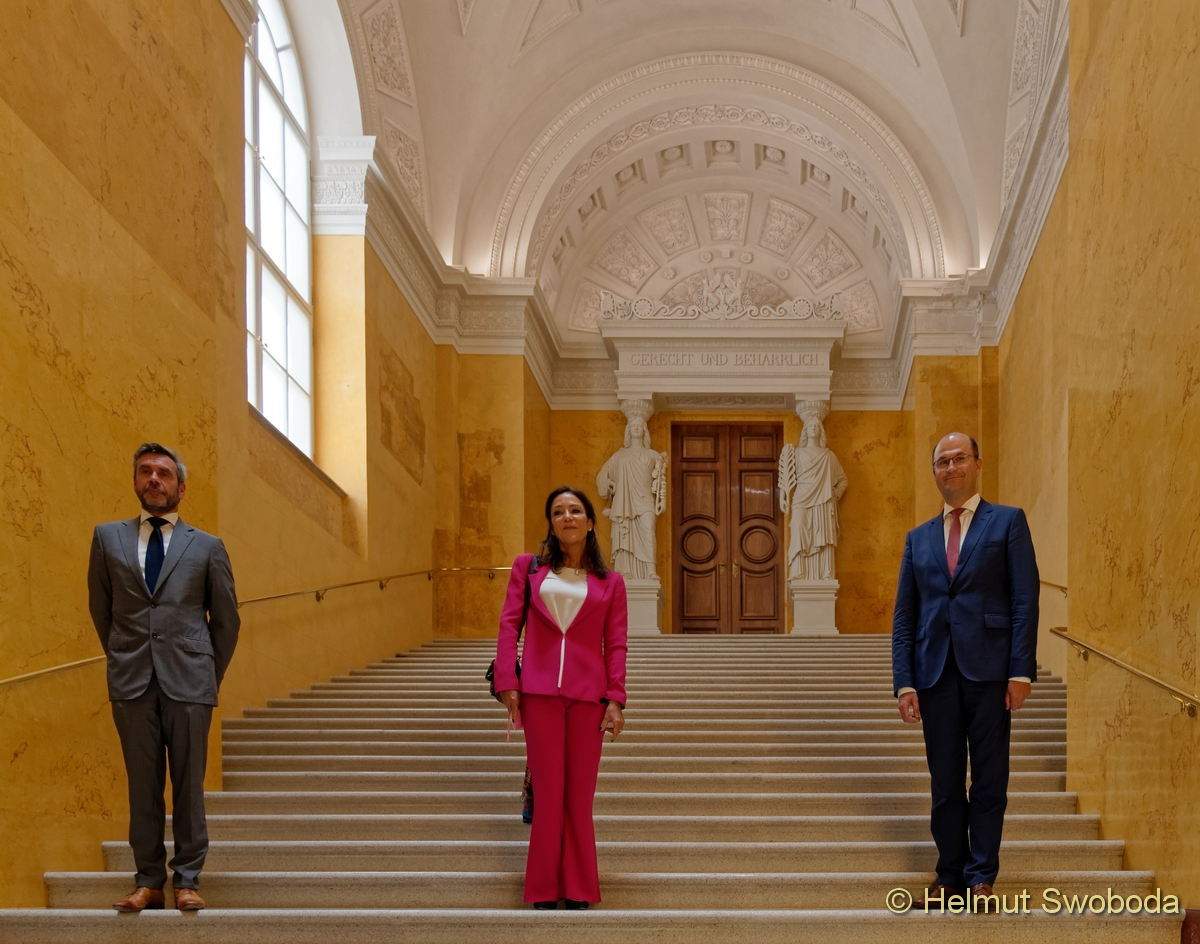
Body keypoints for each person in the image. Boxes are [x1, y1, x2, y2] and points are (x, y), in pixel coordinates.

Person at [87, 443, 240, 913]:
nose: (154, 479)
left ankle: (187, 879)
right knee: (142, 784)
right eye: (146, 471)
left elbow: (226, 620)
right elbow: (102, 609)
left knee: (189, 784)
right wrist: (122, 656)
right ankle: (148, 881)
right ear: (136, 480)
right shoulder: (107, 538)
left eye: (164, 473)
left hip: (190, 679)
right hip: (131, 679)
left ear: (181, 487)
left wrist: (208, 673)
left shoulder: (208, 546)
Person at [891, 432, 1038, 906]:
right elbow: (905, 615)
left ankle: (981, 877)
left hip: (990, 671)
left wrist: (1021, 671)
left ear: (977, 463)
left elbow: (1024, 600)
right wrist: (904, 681)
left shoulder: (1008, 522)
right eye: (942, 461)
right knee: (945, 782)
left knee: (990, 778)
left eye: (959, 458)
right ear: (934, 472)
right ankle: (949, 876)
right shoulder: (918, 539)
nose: (950, 467)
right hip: (934, 673)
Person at [493, 486, 628, 910]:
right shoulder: (528, 569)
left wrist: (616, 698)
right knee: (550, 792)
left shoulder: (611, 582)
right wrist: (508, 682)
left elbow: (616, 643)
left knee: (579, 796)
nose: (567, 517)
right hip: (539, 694)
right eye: (558, 512)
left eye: (575, 510)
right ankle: (543, 888)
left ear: (590, 522)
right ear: (551, 524)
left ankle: (579, 886)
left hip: (589, 697)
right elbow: (508, 626)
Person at [595, 411, 667, 579]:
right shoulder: (619, 456)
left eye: (639, 426)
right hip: (625, 501)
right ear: (628, 430)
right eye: (633, 425)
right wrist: (608, 483)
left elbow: (660, 482)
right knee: (625, 532)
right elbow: (603, 475)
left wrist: (662, 501)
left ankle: (650, 571)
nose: (636, 428)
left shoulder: (653, 455)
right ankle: (625, 570)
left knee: (648, 531)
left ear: (644, 430)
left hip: (646, 500)